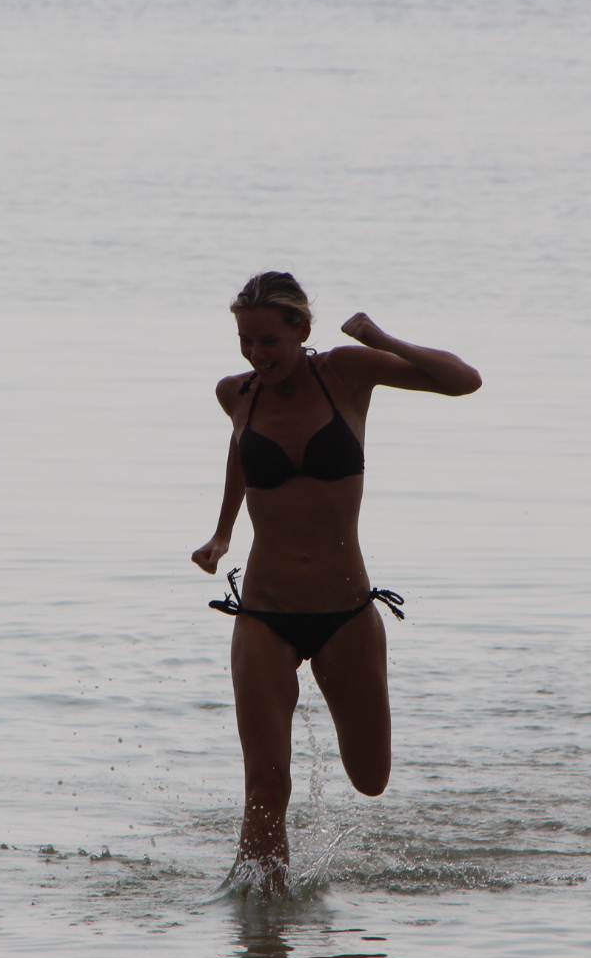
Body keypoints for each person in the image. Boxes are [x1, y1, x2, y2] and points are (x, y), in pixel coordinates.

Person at [193, 272, 480, 893]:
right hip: (264, 613)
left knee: (371, 778)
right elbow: (241, 451)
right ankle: (259, 938)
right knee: (266, 782)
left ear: (302, 330)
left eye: (268, 340)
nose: (256, 354)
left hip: (346, 612)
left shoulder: (348, 373)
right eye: (245, 341)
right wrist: (221, 534)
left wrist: (380, 336)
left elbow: (464, 380)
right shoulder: (236, 393)